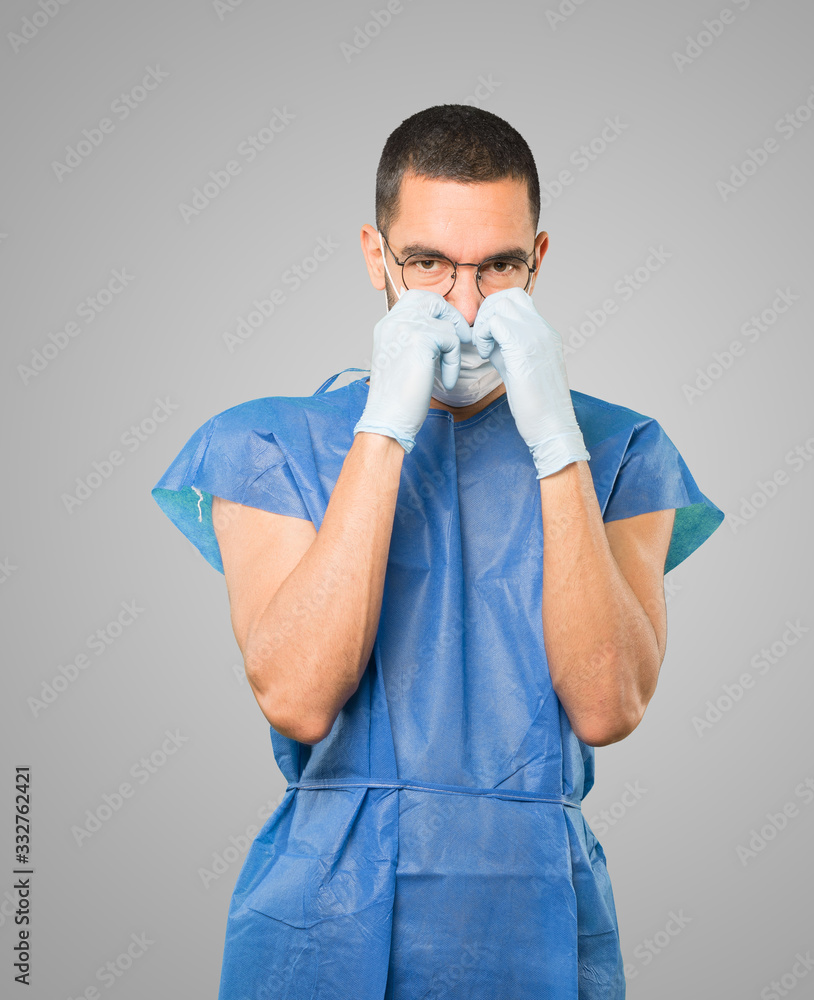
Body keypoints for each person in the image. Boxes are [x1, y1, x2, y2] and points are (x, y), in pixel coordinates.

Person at [151, 104, 724, 1000]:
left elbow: (607, 705)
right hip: (324, 921)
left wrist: (556, 441)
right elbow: (298, 698)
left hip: (533, 913)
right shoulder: (265, 444)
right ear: (375, 256)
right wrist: (384, 427)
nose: (464, 304)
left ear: (536, 260)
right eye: (427, 264)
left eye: (497, 266)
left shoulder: (621, 450)